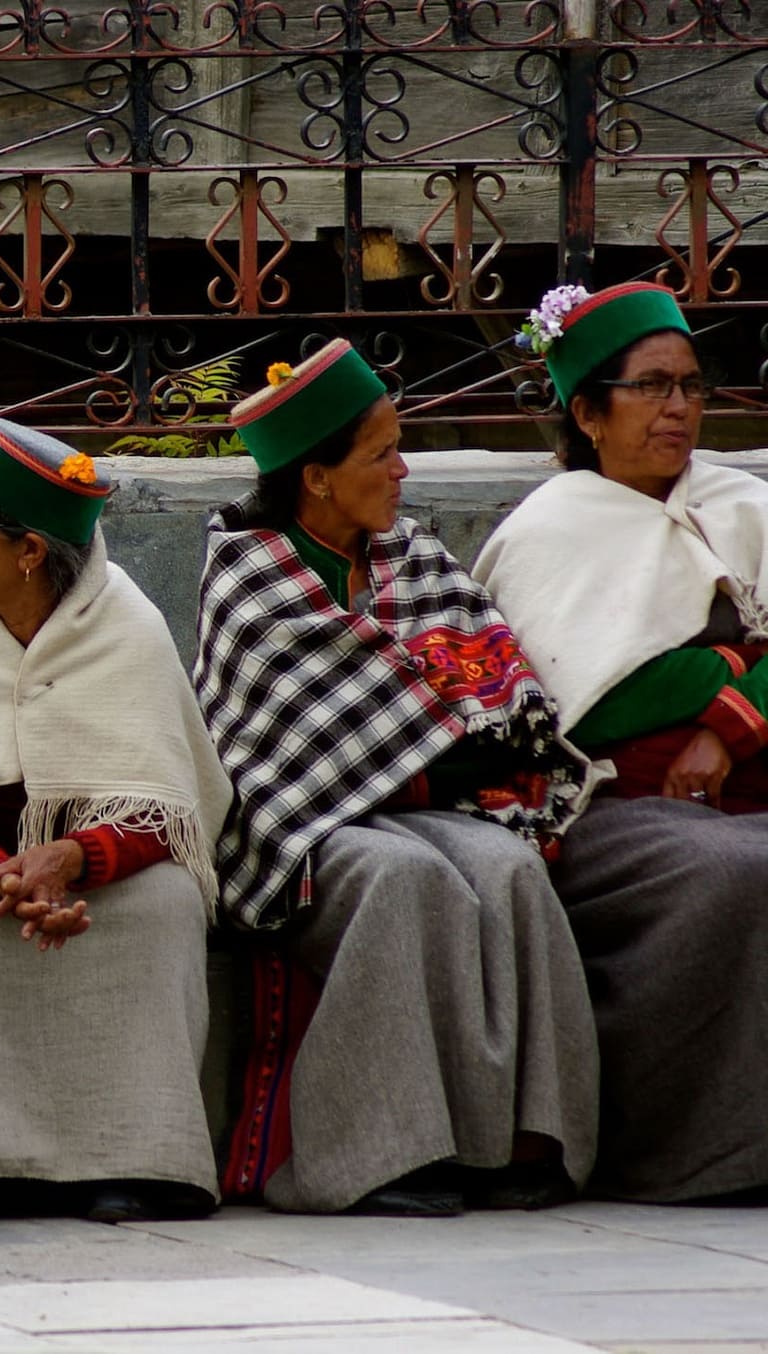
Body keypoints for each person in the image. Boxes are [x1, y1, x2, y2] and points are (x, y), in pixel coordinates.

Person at [195, 340, 600, 1216]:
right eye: (381, 454)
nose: (402, 471)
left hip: (423, 800)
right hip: (295, 830)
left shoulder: (414, 557)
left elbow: (501, 705)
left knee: (508, 869)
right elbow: (282, 758)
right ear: (317, 479)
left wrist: (421, 757)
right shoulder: (249, 576)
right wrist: (430, 751)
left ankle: (515, 1143)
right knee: (404, 877)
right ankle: (378, 1157)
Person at [0, 419, 230, 1224]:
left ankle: (141, 1159)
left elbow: (167, 809)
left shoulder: (127, 625)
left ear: (30, 550)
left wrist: (74, 857)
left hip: (99, 866)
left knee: (166, 903)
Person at [473, 281, 768, 1203]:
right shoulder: (549, 532)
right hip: (609, 804)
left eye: (690, 384)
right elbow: (585, 709)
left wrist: (726, 725)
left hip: (740, 779)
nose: (678, 407)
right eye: (650, 386)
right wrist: (738, 662)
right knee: (735, 873)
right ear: (589, 413)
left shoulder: (743, 505)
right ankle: (696, 1154)